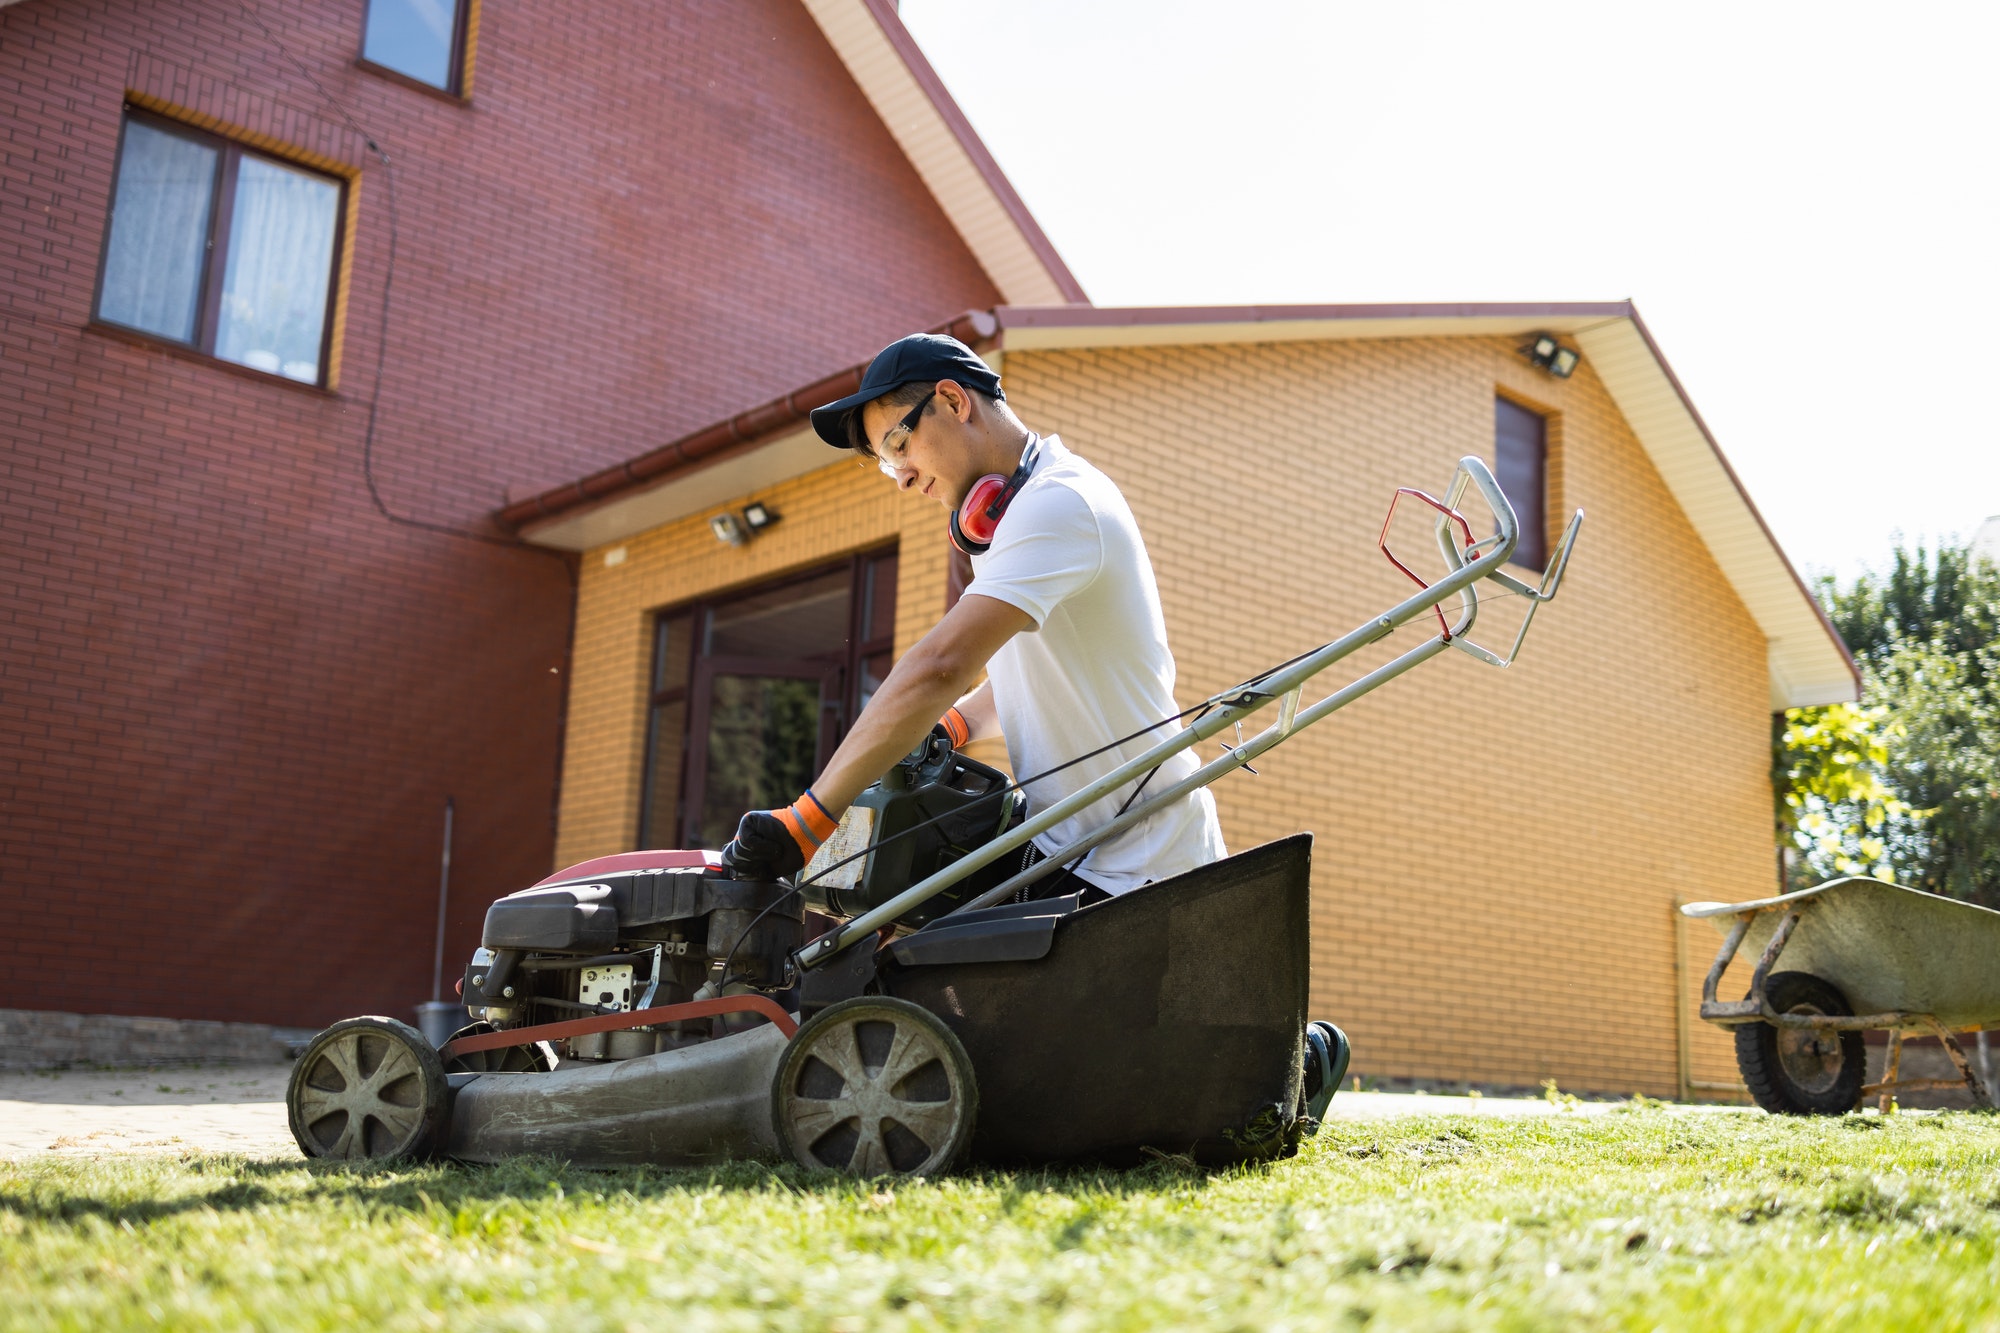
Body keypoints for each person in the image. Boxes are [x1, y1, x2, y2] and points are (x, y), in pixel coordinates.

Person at [721, 333, 1225, 903]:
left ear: (955, 402)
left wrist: (808, 820)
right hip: (1083, 854)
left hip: (1145, 870)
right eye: (890, 465)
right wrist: (952, 728)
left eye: (899, 445)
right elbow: (1033, 672)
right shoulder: (1018, 515)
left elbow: (941, 664)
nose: (905, 477)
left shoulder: (1058, 504)